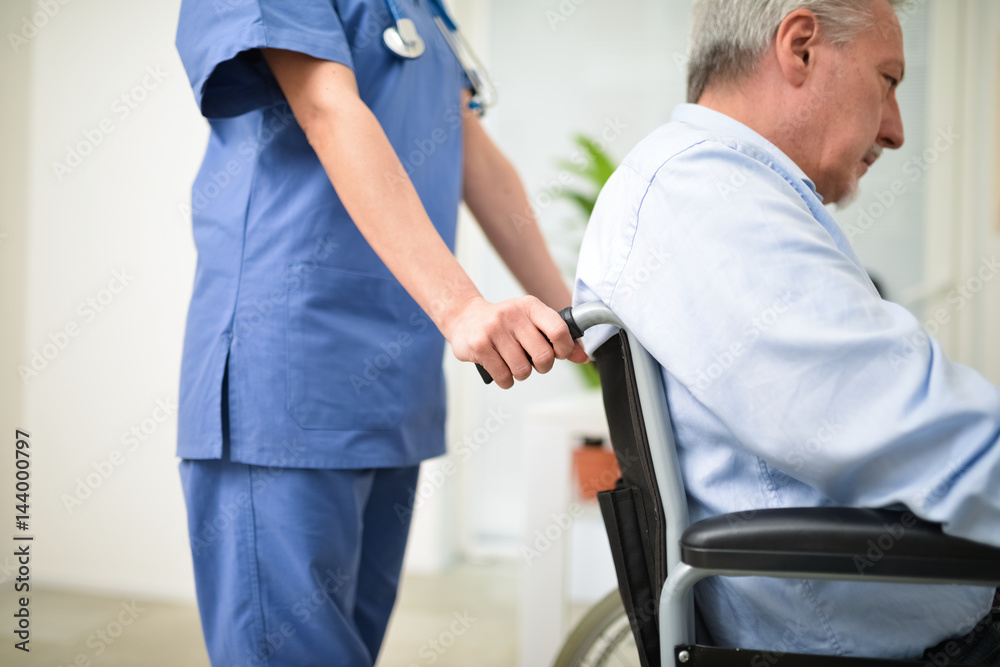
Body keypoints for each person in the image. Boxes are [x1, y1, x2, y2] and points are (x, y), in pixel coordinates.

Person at [575, 0, 1000, 661]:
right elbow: (890, 419)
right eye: (887, 80)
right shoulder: (704, 192)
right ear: (800, 46)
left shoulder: (719, 190)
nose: (896, 131)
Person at [174, 0, 586, 664]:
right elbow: (327, 108)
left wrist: (575, 322)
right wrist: (461, 307)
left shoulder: (424, 8)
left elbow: (472, 153)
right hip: (287, 375)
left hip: (389, 386)